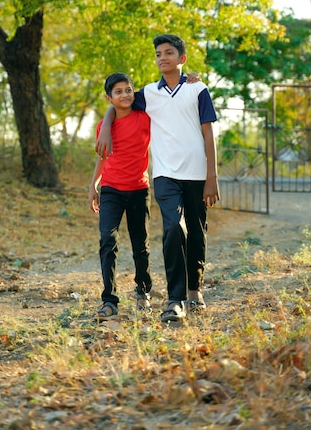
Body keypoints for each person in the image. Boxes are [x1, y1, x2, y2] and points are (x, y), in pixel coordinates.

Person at [96, 34, 219, 323]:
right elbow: (119, 99)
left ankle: (194, 291)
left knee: (197, 231)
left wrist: (212, 175)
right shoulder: (149, 92)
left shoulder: (197, 89)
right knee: (174, 227)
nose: (162, 57)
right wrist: (105, 125)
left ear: (181, 58)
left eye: (168, 53)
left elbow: (208, 133)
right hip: (165, 174)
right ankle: (174, 300)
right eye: (158, 54)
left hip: (197, 173)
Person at [88, 72, 152, 321]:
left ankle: (143, 292)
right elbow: (103, 157)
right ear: (109, 98)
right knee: (107, 241)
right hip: (112, 189)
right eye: (118, 91)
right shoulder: (103, 127)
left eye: (128, 89)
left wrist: (189, 78)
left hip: (138, 189)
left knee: (140, 245)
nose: (125, 94)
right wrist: (93, 185)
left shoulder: (145, 118)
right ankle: (109, 300)